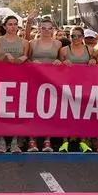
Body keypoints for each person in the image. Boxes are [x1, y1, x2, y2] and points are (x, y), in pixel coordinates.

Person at [0, 16, 29, 153]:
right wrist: (4, 57)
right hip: (0, 80)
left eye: (15, 24)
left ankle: (14, 141)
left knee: (16, 110)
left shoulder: (24, 42)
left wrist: (24, 59)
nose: (13, 27)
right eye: (10, 24)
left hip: (19, 80)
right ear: (5, 26)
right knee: (1, 110)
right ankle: (1, 141)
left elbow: (25, 60)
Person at [25, 18, 62, 152]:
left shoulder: (58, 43)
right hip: (34, 79)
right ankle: (31, 140)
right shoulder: (32, 43)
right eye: (44, 28)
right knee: (33, 109)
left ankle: (47, 140)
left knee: (49, 109)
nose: (47, 31)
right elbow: (26, 58)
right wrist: (32, 62)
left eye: (49, 28)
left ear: (53, 30)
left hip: (52, 80)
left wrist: (58, 61)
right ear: (39, 29)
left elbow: (62, 60)